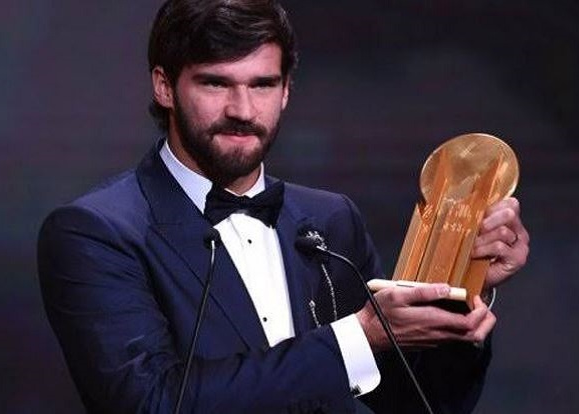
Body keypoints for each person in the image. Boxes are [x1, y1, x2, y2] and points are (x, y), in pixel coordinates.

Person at [37, 1, 530, 413]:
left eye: (262, 84)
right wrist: (358, 337)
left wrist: (465, 287)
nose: (242, 110)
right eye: (215, 83)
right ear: (164, 86)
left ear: (287, 89)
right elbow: (150, 402)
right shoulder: (94, 231)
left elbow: (415, 403)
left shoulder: (331, 219)